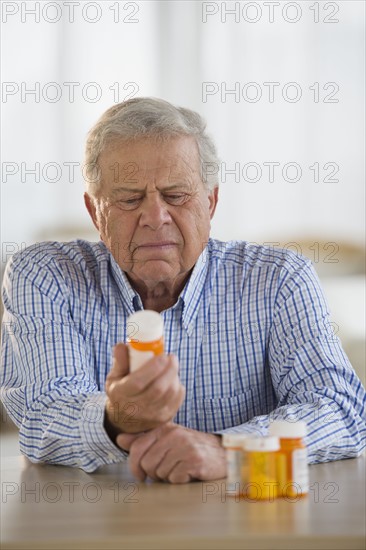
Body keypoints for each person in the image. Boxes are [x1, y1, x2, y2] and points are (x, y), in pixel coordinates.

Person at [1, 98, 365, 483]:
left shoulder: (280, 280)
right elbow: (42, 420)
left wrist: (227, 451)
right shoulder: (43, 275)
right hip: (102, 529)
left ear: (210, 202)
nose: (155, 218)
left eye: (176, 196)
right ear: (95, 212)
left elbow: (342, 412)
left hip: (248, 523)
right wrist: (115, 417)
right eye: (129, 199)